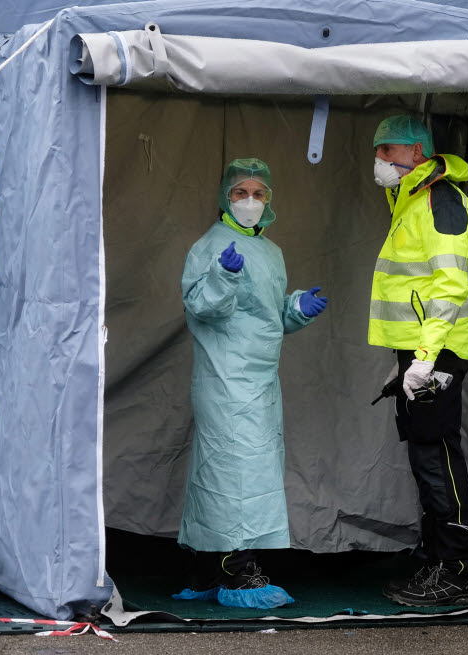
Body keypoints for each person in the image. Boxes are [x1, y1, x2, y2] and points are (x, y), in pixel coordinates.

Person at [177, 157, 327, 608]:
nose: (250, 201)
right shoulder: (211, 246)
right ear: (226, 197)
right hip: (224, 376)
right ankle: (236, 566)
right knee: (232, 468)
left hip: (260, 377)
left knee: (243, 467)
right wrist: (222, 276)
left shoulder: (271, 252)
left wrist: (297, 308)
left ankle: (208, 565)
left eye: (259, 193)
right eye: (241, 192)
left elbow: (267, 316)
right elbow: (203, 306)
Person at [369, 115, 468, 606]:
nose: (379, 162)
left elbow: (451, 285)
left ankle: (454, 570)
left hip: (437, 353)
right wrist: (406, 359)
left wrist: (426, 356)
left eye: (386, 151)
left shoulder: (441, 200)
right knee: (424, 455)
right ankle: (437, 560)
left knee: (437, 456)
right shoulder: (413, 198)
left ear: (416, 151)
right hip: (421, 352)